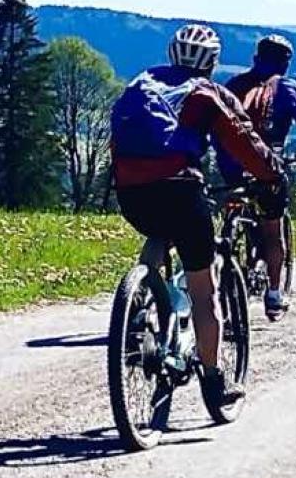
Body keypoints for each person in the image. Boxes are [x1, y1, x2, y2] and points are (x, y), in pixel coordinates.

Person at [111, 24, 286, 406]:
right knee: (204, 291)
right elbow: (244, 140)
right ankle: (214, 381)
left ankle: (140, 306)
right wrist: (273, 175)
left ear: (172, 52)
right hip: (180, 188)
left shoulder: (140, 83)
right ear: (211, 61)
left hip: (130, 191)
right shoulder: (207, 92)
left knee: (159, 230)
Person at [220, 34, 296, 321]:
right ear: (285, 63)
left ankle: (226, 258)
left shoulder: (232, 86)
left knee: (232, 211)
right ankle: (273, 294)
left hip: (231, 168)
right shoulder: (288, 89)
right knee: (273, 230)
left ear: (256, 57)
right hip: (267, 169)